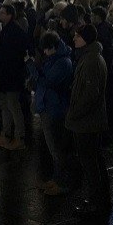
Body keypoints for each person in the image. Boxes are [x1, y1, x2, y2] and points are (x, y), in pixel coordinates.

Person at [66, 23, 110, 213]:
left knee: (90, 162)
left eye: (78, 36)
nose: (74, 38)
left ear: (86, 39)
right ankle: (101, 197)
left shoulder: (91, 60)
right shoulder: (89, 57)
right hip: (89, 119)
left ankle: (96, 201)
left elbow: (91, 95)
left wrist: (74, 113)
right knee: (94, 159)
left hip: (87, 122)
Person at [33, 30, 73, 195]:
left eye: (47, 49)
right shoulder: (55, 58)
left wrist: (31, 67)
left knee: (56, 148)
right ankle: (56, 179)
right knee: (53, 148)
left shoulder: (63, 62)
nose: (44, 52)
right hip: (48, 106)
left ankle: (62, 182)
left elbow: (47, 81)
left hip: (54, 108)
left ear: (54, 47)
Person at [0, 3, 29, 151]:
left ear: (10, 15)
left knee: (13, 106)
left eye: (2, 13)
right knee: (5, 106)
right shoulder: (5, 29)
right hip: (4, 75)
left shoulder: (15, 31)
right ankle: (6, 135)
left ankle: (20, 138)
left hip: (11, 76)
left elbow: (17, 54)